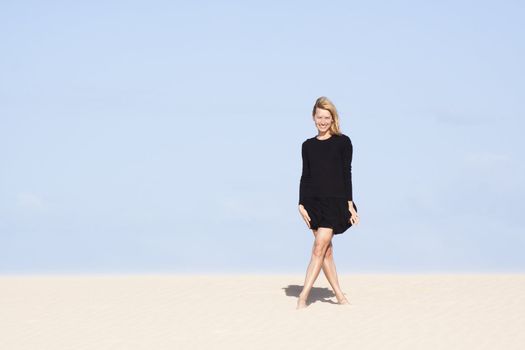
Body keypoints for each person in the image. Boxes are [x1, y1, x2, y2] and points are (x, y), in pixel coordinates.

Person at [297, 96, 360, 309]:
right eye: (319, 117)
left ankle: (303, 297)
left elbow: (346, 173)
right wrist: (301, 203)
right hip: (313, 203)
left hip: (335, 202)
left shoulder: (343, 142)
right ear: (313, 118)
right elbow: (305, 176)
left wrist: (349, 202)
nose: (322, 121)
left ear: (333, 118)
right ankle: (340, 296)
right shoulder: (307, 146)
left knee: (318, 248)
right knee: (326, 251)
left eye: (327, 117)